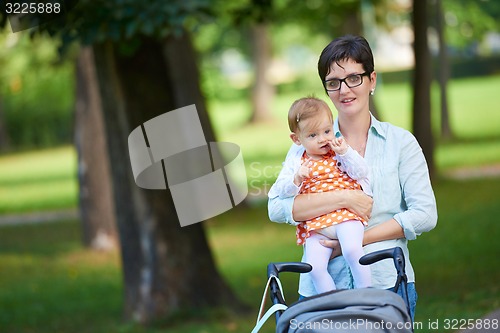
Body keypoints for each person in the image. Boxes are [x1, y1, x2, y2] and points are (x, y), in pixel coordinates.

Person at [267, 35, 437, 321]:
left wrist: (355, 243)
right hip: (318, 292)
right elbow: (277, 207)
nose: (344, 90)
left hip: (387, 283)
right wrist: (344, 198)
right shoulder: (306, 146)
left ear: (372, 80)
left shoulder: (400, 143)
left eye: (353, 78)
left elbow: (425, 214)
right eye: (333, 82)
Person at [268, 96, 372, 293]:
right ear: (297, 139)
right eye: (313, 135)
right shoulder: (296, 161)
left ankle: (366, 292)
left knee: (352, 250)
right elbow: (280, 191)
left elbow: (362, 172)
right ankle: (332, 300)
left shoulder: (339, 151)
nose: (323, 138)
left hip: (345, 217)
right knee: (314, 268)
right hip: (317, 224)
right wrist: (296, 179)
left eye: (327, 131)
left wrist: (346, 153)